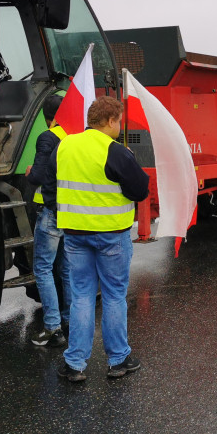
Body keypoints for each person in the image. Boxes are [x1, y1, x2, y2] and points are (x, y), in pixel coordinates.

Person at [53, 96, 149, 382]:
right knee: (113, 295)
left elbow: (49, 177)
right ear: (109, 121)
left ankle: (75, 364)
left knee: (81, 296)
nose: (120, 126)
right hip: (111, 236)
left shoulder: (65, 145)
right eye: (118, 121)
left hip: (74, 234)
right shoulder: (115, 151)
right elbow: (140, 191)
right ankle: (118, 360)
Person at [25, 94, 72, 347]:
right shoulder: (73, 137)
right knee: (65, 269)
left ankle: (52, 327)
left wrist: (31, 173)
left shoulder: (48, 137)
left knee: (43, 269)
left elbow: (39, 175)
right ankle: (68, 321)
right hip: (69, 212)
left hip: (50, 212)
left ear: (46, 117)